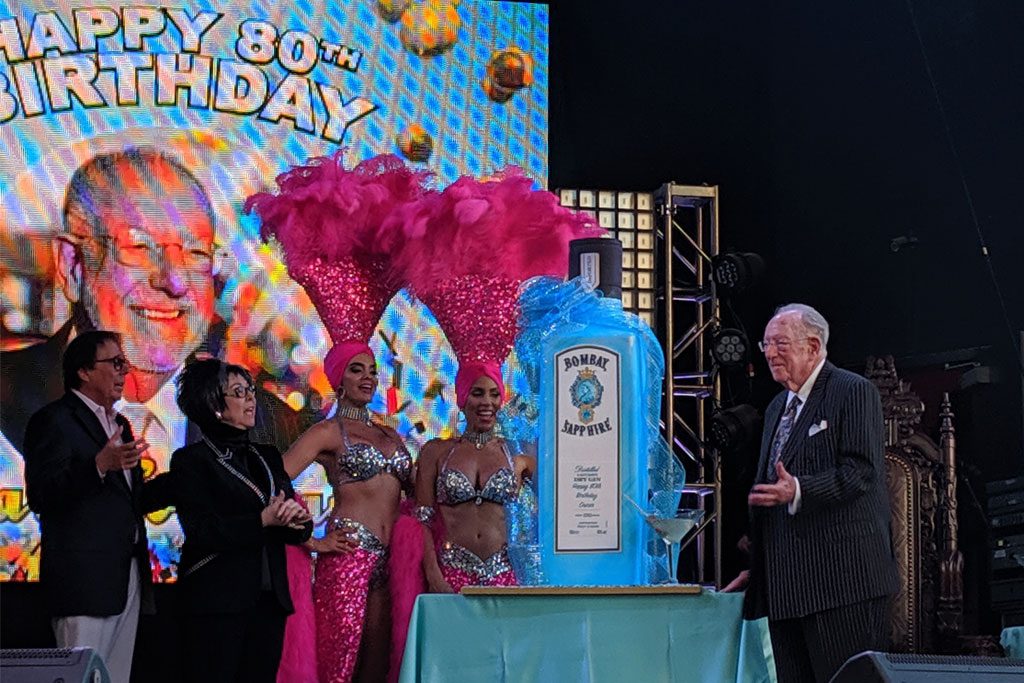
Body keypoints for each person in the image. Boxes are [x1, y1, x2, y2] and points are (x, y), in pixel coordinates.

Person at [1, 146, 310, 465]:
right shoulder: (7, 399)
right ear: (72, 266)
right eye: (140, 247)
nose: (175, 282)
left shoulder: (281, 434)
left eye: (196, 253)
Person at [246, 152, 431, 683]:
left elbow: (416, 496)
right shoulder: (329, 431)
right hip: (347, 559)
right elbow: (273, 479)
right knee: (337, 669)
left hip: (391, 568)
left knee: (380, 668)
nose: (368, 378)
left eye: (372, 370)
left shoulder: (390, 435)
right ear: (337, 378)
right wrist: (310, 540)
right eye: (357, 370)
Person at [723, 304, 898, 683]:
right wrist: (762, 567)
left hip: (843, 585)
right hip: (785, 590)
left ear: (813, 346)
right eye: (766, 344)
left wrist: (799, 489)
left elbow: (861, 473)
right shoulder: (775, 407)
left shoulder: (852, 391)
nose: (770, 353)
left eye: (781, 344)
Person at [22, 330, 176, 683]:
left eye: (125, 363)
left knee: (115, 677)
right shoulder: (54, 420)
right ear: (84, 371)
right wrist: (98, 466)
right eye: (116, 363)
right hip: (83, 582)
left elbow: (131, 500)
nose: (125, 371)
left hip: (127, 576)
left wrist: (178, 483)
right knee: (80, 676)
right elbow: (42, 495)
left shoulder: (120, 424)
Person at [171, 358, 313, 682]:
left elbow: (298, 526)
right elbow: (201, 531)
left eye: (250, 390)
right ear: (213, 404)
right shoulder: (192, 461)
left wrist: (297, 520)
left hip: (269, 601)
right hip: (217, 603)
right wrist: (261, 520)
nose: (251, 398)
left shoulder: (267, 456)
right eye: (238, 392)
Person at [415, 367, 533, 593]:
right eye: (478, 393)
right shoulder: (436, 452)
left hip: (505, 576)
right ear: (462, 398)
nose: (487, 402)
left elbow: (555, 505)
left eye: (494, 394)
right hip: (452, 574)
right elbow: (422, 522)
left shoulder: (517, 453)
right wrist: (434, 575)